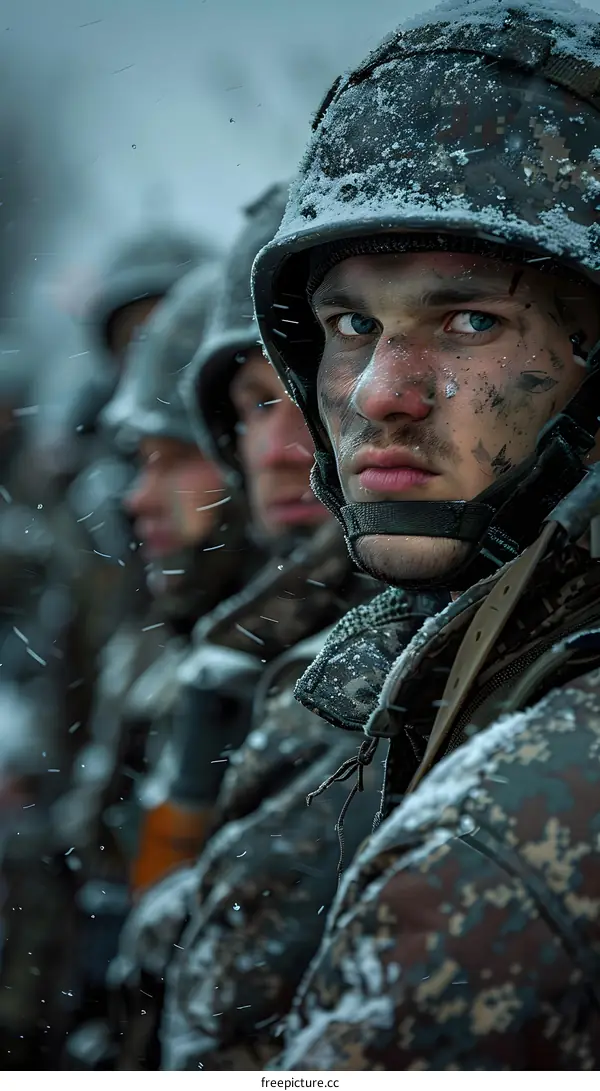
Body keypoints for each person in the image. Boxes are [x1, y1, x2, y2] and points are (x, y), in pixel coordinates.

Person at [251, 0, 600, 1069]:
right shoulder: (411, 668)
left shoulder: (521, 818)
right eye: (354, 325)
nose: (382, 394)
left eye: (470, 321)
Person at [109, 183, 441, 1072]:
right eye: (254, 404)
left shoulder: (385, 665)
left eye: (298, 391)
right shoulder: (245, 648)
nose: (283, 446)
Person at [57, 262, 259, 1067]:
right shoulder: (172, 631)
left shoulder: (284, 662)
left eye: (175, 460)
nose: (138, 498)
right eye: (140, 461)